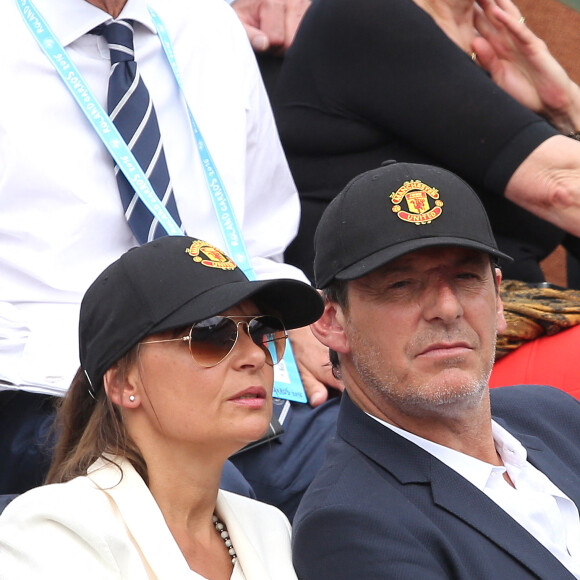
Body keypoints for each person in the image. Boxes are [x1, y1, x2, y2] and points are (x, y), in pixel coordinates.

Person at [0, 0, 340, 504]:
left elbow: (261, 235)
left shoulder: (204, 20)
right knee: (217, 510)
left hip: (238, 349)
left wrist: (292, 317)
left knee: (385, 464)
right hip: (63, 387)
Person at [292, 161, 580, 579]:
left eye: (465, 277)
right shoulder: (348, 524)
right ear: (332, 322)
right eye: (402, 285)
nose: (447, 308)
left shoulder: (553, 413)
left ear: (499, 299)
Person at [0, 234, 324, 578]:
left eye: (262, 330)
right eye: (211, 334)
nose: (255, 356)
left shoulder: (271, 529)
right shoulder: (51, 534)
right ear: (124, 383)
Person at [274, 0, 580, 284]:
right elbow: (562, 188)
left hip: (499, 317)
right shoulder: (368, 15)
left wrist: (566, 110)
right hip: (396, 322)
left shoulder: (494, 44)